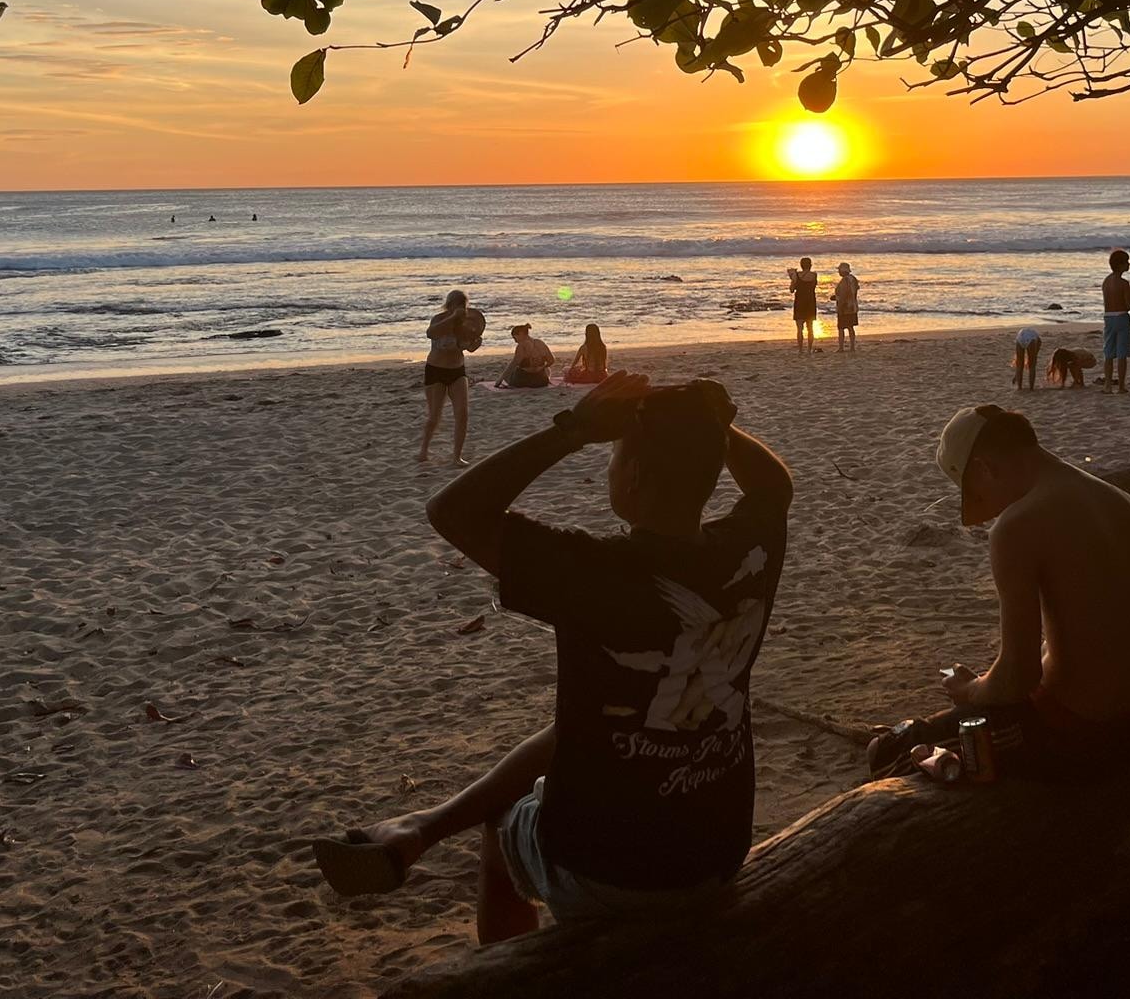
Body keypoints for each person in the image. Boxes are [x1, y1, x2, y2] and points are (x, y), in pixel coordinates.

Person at [315, 375, 793, 940]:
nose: (609, 468)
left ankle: (509, 969)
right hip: (716, 848)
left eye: (613, 458)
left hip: (607, 870)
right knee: (585, 724)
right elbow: (774, 485)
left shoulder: (594, 570)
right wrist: (716, 426)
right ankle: (421, 827)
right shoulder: (750, 548)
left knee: (501, 831)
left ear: (634, 478)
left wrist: (572, 431)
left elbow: (451, 510)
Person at [867, 405, 1130, 778]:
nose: (990, 510)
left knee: (889, 750)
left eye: (974, 492)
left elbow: (1019, 677)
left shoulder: (1018, 524)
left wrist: (970, 691)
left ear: (984, 469)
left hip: (1077, 732)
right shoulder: (1121, 501)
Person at [421, 291, 483, 466]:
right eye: (457, 305)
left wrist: (474, 344)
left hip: (457, 371)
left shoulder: (467, 324)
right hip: (436, 370)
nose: (461, 309)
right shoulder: (438, 319)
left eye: (463, 305)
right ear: (449, 305)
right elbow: (431, 333)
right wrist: (452, 317)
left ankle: (457, 456)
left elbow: (467, 347)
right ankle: (423, 451)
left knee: (462, 414)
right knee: (434, 416)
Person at [1101, 249, 1130, 393]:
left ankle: (1108, 385)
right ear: (1120, 265)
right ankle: (1121, 386)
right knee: (1121, 354)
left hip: (1108, 317)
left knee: (1108, 353)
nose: (1129, 264)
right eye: (1126, 262)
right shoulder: (1124, 283)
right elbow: (1129, 304)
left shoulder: (1106, 281)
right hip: (1121, 316)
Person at [499, 324, 554, 389]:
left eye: (515, 338)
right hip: (541, 381)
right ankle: (546, 377)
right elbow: (551, 360)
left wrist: (500, 380)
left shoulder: (521, 346)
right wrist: (542, 367)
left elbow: (513, 364)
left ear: (521, 334)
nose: (515, 341)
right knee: (547, 369)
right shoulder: (540, 343)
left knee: (508, 374)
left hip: (523, 381)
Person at [788, 258, 819, 354]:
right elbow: (814, 286)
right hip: (810, 302)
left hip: (800, 302)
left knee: (799, 328)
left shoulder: (797, 275)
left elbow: (792, 289)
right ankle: (809, 349)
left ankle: (801, 349)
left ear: (801, 265)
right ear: (810, 265)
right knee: (810, 328)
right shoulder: (814, 275)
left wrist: (792, 278)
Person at [833, 262, 860, 352]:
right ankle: (852, 347)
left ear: (842, 271)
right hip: (853, 306)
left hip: (845, 307)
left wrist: (840, 306)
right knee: (850, 327)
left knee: (841, 328)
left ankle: (841, 348)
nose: (838, 272)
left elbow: (844, 295)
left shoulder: (844, 280)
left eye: (839, 270)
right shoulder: (853, 279)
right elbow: (854, 291)